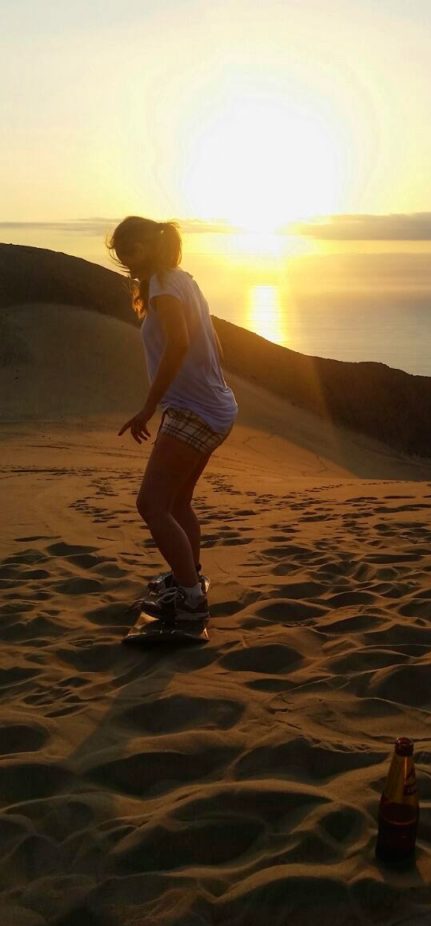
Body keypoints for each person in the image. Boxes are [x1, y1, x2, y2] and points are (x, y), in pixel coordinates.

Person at [107, 216, 238, 625]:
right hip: (213, 407)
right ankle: (189, 579)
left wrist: (150, 406)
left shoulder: (164, 285)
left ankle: (191, 600)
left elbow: (180, 343)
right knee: (178, 502)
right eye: (122, 251)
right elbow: (212, 339)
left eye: (133, 248)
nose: (127, 258)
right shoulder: (182, 279)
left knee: (151, 504)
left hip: (194, 410)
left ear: (151, 245)